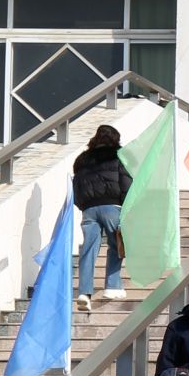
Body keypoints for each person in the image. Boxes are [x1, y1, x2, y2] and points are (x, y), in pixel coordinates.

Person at [70, 122, 132, 309]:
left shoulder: (82, 160)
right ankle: (112, 286)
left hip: (89, 209)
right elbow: (126, 182)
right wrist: (128, 205)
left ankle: (84, 292)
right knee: (117, 245)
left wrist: (83, 205)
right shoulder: (119, 155)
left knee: (88, 250)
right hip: (112, 206)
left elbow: (76, 185)